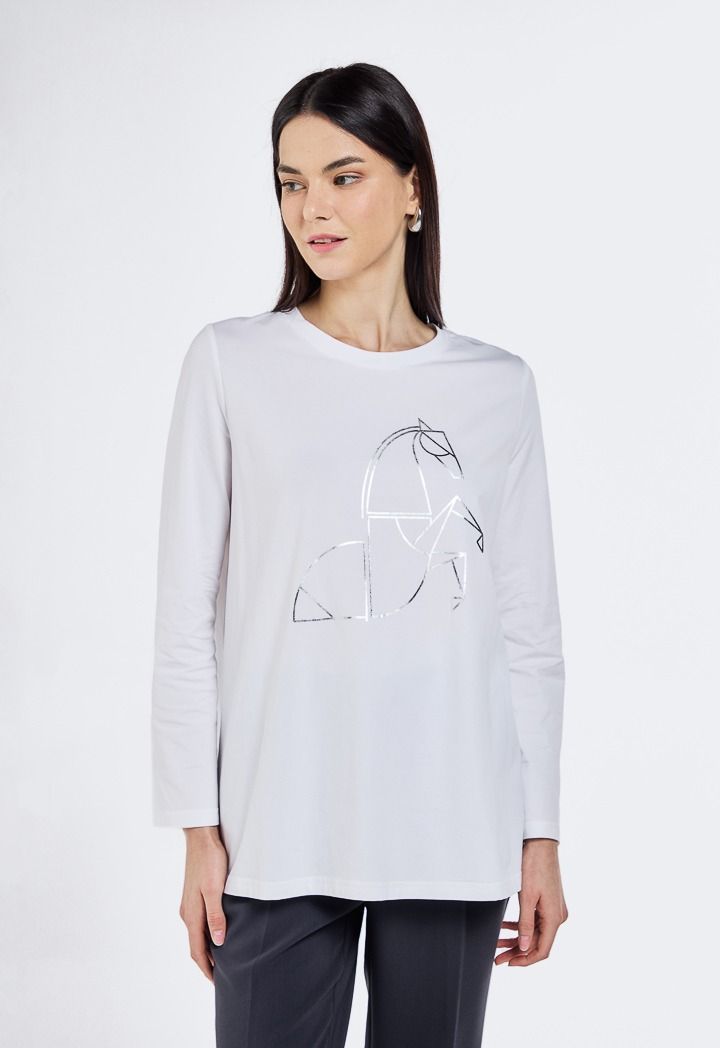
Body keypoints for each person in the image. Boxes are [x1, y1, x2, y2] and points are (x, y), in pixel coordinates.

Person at [151, 61, 569, 1047]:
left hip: (454, 825)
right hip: (279, 825)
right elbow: (185, 616)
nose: (313, 208)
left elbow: (527, 629)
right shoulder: (232, 362)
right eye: (291, 182)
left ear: (413, 188)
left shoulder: (498, 386)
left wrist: (539, 833)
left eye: (344, 177)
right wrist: (197, 827)